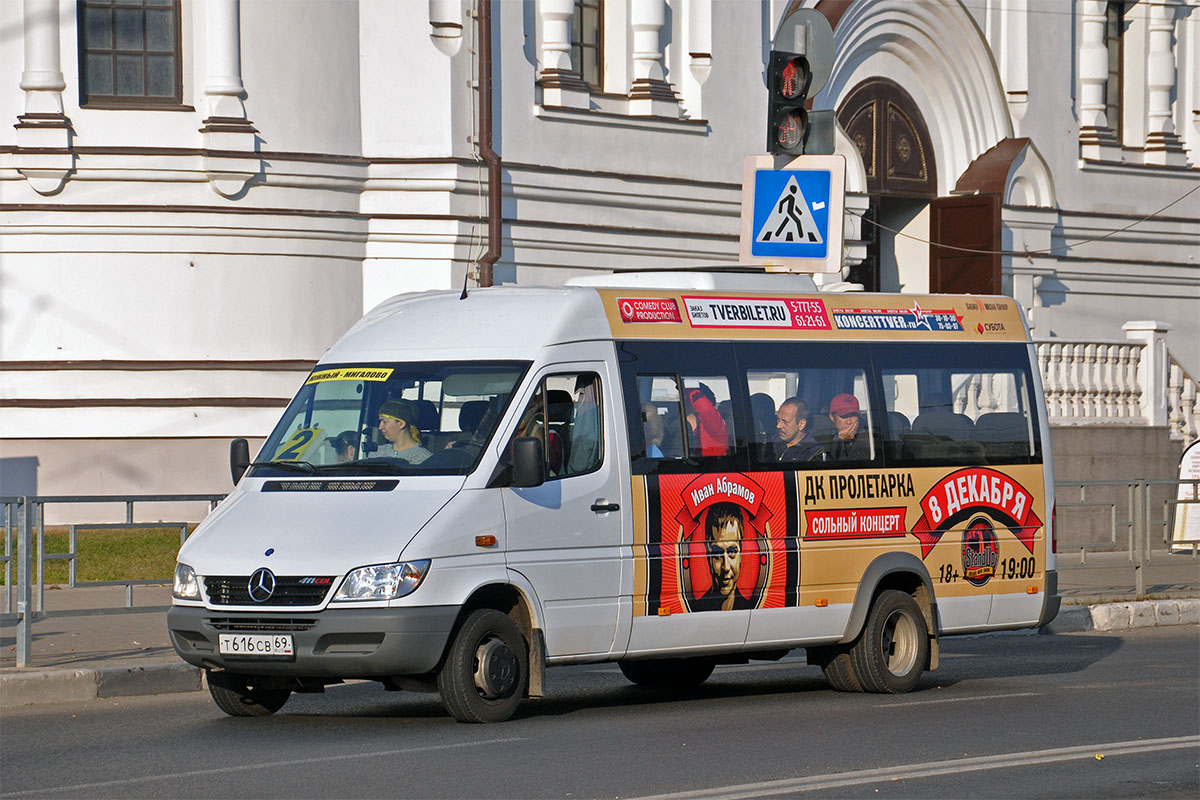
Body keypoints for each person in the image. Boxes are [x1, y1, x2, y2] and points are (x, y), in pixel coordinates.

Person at [691, 502, 754, 612]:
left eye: (731, 552)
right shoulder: (697, 608)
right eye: (718, 554)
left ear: (741, 555)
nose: (726, 566)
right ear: (708, 557)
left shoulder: (751, 606)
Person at [377, 399, 432, 464]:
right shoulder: (377, 453)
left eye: (384, 422)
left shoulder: (424, 459)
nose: (380, 427)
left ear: (401, 424)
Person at [774, 397, 827, 462]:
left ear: (801, 424)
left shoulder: (814, 453)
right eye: (778, 420)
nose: (778, 426)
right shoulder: (772, 444)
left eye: (785, 422)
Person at [684, 383, 728, 457]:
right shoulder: (675, 423)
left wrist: (686, 387)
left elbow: (705, 409)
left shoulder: (716, 425)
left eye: (685, 399)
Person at [827, 393, 870, 461]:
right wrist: (839, 442)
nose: (849, 421)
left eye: (853, 415)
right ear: (832, 417)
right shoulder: (821, 438)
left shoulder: (869, 438)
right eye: (844, 416)